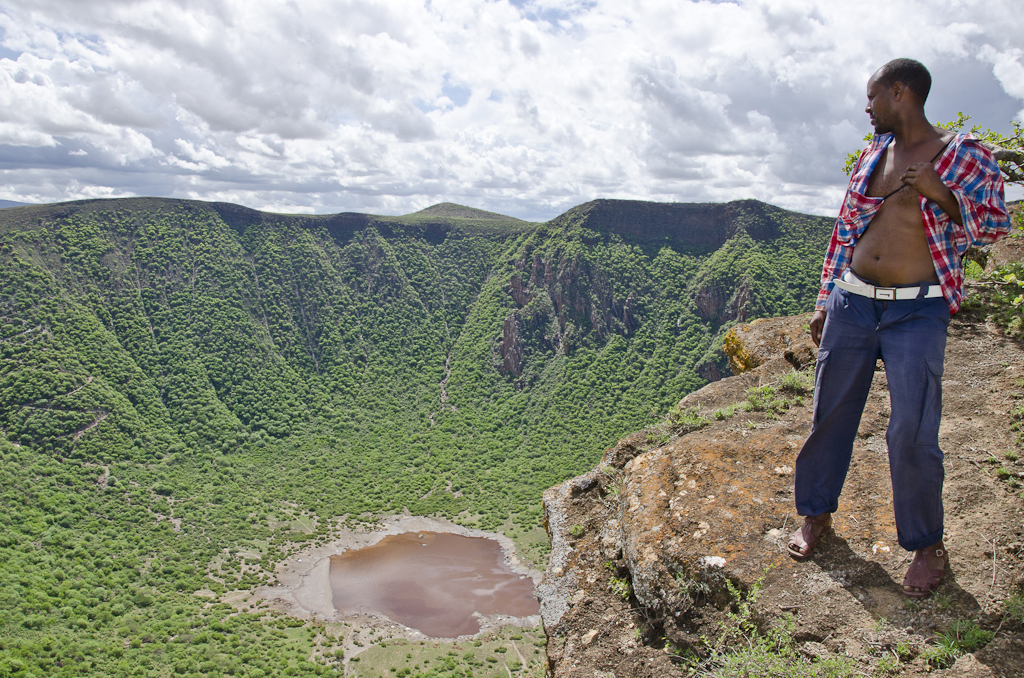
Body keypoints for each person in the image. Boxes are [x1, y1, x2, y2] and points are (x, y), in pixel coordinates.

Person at [787, 58, 1009, 597]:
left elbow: (997, 226)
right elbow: (845, 232)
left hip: (918, 307)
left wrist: (941, 194)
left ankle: (926, 544)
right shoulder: (873, 154)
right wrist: (825, 300)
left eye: (873, 97)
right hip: (854, 302)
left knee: (911, 429)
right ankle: (815, 514)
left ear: (900, 92)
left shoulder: (966, 155)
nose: (867, 107)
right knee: (829, 414)